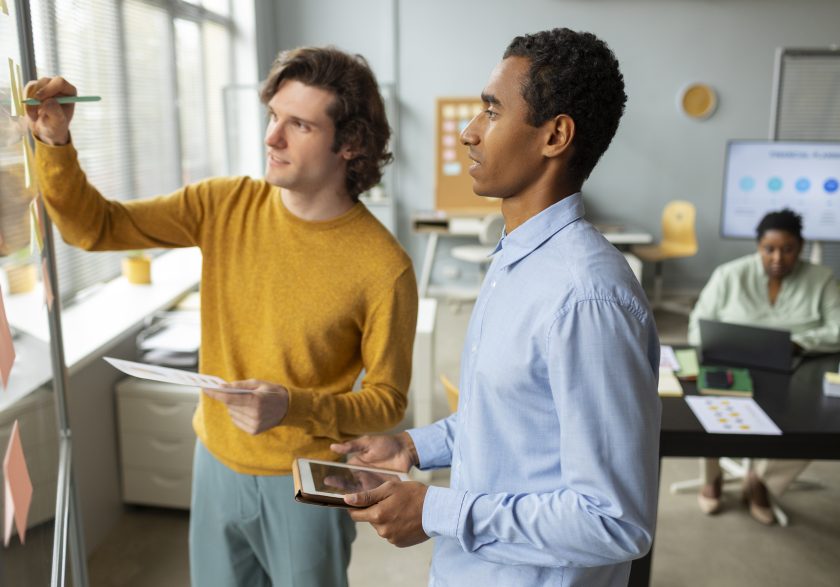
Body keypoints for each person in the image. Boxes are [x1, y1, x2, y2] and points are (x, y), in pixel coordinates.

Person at [26, 46, 418, 586]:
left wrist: (291, 406)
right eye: (273, 116)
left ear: (349, 144)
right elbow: (95, 227)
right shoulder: (224, 204)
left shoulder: (384, 267)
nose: (271, 137)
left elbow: (386, 402)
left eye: (298, 124)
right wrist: (55, 142)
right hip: (215, 459)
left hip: (307, 477)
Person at [332, 28, 661, 586]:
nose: (468, 133)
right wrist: (412, 445)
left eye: (490, 111)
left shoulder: (586, 298)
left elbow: (614, 520)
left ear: (555, 135)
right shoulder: (517, 259)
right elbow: (515, 424)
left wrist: (435, 510)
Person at [688, 208, 840, 524]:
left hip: (797, 368)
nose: (778, 258)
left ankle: (762, 481)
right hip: (732, 364)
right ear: (758, 247)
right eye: (769, 249)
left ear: (800, 247)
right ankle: (712, 478)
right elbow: (696, 327)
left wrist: (798, 342)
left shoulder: (821, 279)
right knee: (709, 402)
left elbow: (837, 328)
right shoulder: (729, 275)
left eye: (788, 249)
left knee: (822, 420)